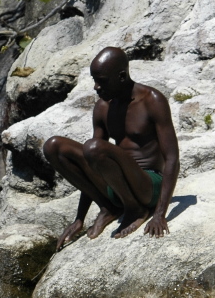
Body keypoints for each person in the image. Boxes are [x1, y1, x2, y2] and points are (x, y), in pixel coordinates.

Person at [43, 46, 180, 250]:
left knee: (94, 147)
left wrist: (160, 214)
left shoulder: (152, 100)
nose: (96, 87)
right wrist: (79, 218)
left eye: (102, 81)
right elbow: (92, 162)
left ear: (122, 76)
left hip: (148, 185)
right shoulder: (103, 107)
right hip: (118, 186)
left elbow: (172, 159)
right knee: (54, 146)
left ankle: (136, 210)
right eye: (94, 80)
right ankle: (107, 207)